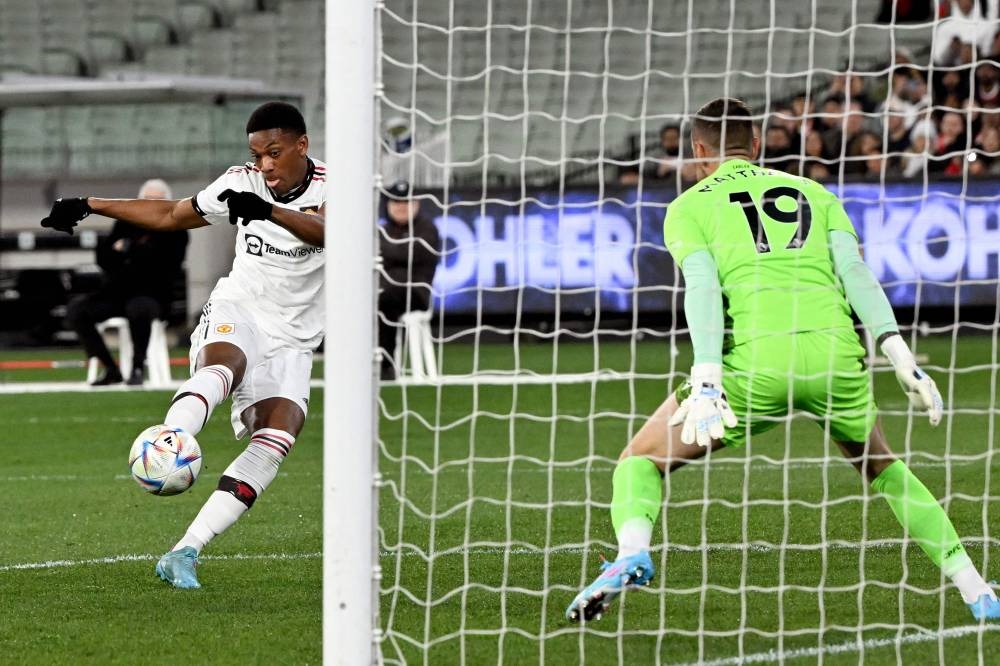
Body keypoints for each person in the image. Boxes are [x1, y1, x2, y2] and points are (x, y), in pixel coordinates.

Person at [565, 97, 999, 623]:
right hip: (837, 356)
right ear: (754, 145)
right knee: (883, 466)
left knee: (640, 460)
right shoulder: (815, 191)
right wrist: (897, 350)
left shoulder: (690, 206)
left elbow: (701, 286)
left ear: (700, 151)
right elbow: (856, 273)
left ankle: (633, 551)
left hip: (757, 365)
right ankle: (977, 589)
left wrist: (706, 376)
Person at [41, 101, 326, 589]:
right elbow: (172, 214)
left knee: (276, 438)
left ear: (301, 145)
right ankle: (167, 443)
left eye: (274, 153)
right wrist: (90, 204)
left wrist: (269, 211)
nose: (265, 166)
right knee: (225, 366)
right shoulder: (239, 181)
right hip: (241, 307)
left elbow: (329, 233)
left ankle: (184, 551)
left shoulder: (333, 186)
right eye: (257, 156)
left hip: (295, 336)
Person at [65, 179, 188, 386]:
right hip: (117, 292)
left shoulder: (176, 230)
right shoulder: (124, 223)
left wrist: (127, 250)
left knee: (138, 308)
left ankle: (137, 367)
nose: (152, 204)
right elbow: (103, 257)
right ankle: (110, 368)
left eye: (157, 200)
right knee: (78, 310)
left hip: (152, 295)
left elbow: (164, 265)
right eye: (147, 200)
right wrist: (135, 254)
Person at [377, 180, 440, 380]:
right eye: (396, 202)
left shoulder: (427, 229)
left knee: (385, 298)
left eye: (406, 202)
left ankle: (385, 364)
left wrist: (387, 250)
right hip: (385, 292)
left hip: (416, 295)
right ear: (388, 205)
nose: (401, 207)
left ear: (417, 204)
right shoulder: (382, 230)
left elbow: (413, 253)